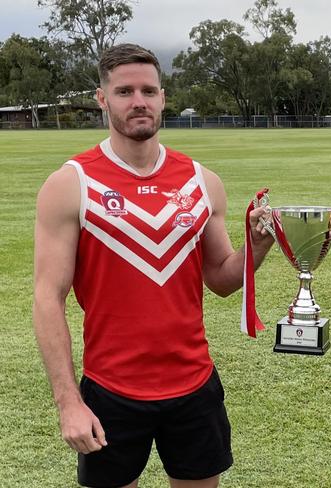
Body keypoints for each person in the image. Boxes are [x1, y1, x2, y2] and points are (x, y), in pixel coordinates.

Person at [33, 43, 273, 488]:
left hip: (195, 384)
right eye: (124, 91)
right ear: (102, 99)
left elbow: (221, 278)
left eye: (149, 90)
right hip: (111, 389)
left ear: (164, 98)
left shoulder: (203, 180)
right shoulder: (71, 184)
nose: (138, 101)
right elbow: (48, 298)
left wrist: (257, 247)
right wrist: (69, 402)